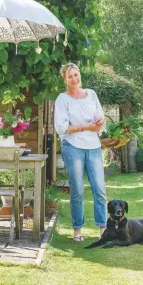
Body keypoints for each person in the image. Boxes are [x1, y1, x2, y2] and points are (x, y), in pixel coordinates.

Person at [54, 63, 107, 242]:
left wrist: (100, 121)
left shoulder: (91, 94)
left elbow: (101, 119)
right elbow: (61, 127)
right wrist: (86, 127)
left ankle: (103, 230)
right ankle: (77, 230)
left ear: (80, 75)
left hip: (93, 147)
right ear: (65, 79)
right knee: (77, 189)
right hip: (73, 146)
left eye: (76, 75)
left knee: (99, 188)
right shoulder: (62, 99)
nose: (74, 79)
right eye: (70, 77)